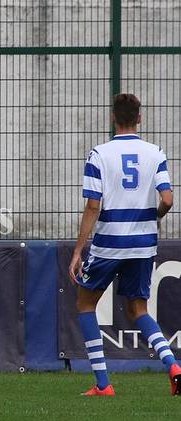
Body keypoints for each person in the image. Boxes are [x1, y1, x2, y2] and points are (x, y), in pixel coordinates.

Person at [69, 93, 180, 396]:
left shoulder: (99, 154)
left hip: (109, 243)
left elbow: (94, 205)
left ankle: (103, 384)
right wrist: (154, 216)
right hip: (143, 243)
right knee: (138, 309)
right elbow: (168, 199)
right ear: (139, 118)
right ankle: (173, 365)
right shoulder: (154, 152)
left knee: (85, 303)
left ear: (112, 118)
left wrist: (79, 250)